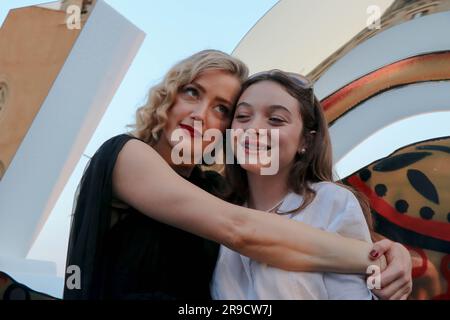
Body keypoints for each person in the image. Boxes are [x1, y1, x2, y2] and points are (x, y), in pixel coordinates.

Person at [64, 50, 412, 300]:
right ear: (167, 97)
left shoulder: (217, 191)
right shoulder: (125, 154)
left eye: (222, 109)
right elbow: (240, 229)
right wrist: (369, 258)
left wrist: (388, 248)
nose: (201, 114)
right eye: (192, 92)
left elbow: (276, 222)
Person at [212, 70, 405, 299]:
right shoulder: (216, 210)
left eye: (275, 120)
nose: (253, 128)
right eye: (243, 116)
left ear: (306, 140)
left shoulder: (332, 202)